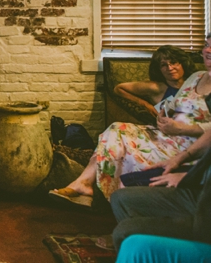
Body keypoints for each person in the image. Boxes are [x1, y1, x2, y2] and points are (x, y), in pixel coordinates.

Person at [50, 40, 211, 206]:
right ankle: (86, 185)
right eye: (206, 44)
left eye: (174, 63)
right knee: (116, 129)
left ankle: (88, 186)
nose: (170, 68)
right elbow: (174, 104)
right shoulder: (195, 77)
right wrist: (163, 115)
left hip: (191, 144)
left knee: (111, 143)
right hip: (166, 134)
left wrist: (181, 128)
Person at [108, 123, 211, 252]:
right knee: (119, 198)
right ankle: (147, 250)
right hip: (202, 190)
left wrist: (190, 177)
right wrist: (180, 159)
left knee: (125, 232)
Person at [114, 45, 194, 116]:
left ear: (183, 64)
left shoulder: (195, 83)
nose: (170, 68)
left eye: (173, 62)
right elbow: (119, 89)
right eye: (163, 65)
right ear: (159, 69)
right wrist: (146, 105)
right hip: (167, 130)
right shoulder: (157, 87)